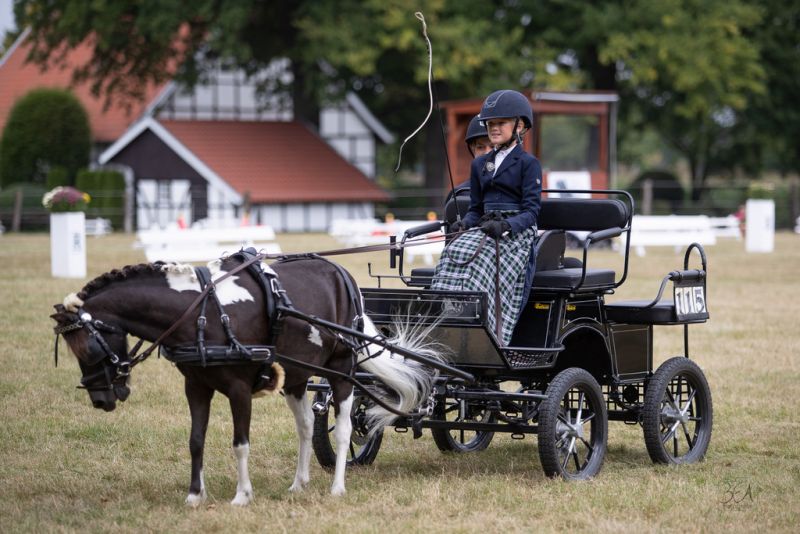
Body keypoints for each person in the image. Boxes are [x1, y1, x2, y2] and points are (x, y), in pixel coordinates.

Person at [432, 90, 542, 346]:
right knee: (452, 252)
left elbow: (531, 211)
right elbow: (476, 209)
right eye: (490, 123)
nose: (493, 128)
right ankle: (444, 320)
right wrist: (465, 224)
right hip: (486, 227)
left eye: (500, 123)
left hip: (516, 232)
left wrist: (507, 226)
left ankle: (487, 333)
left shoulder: (528, 163)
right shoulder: (479, 164)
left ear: (520, 126)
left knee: (480, 263)